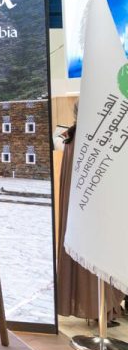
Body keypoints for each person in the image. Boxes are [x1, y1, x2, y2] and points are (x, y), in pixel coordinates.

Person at [56, 104, 123, 321]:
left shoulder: (75, 137)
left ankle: (101, 307)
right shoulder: (89, 140)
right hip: (99, 211)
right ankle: (101, 308)